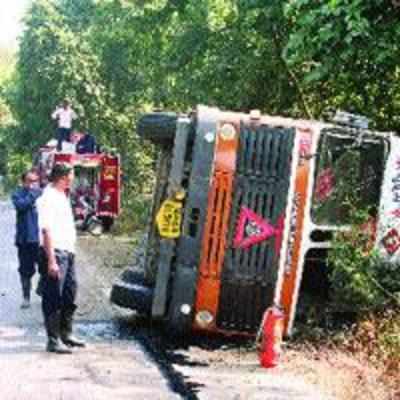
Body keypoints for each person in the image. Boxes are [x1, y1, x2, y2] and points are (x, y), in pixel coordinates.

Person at [36, 163, 85, 354]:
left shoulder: (62, 195)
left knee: (69, 293)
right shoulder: (48, 198)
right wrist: (51, 261)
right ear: (63, 177)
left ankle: (66, 334)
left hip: (67, 252)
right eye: (72, 175)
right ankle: (53, 340)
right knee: (53, 297)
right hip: (55, 253)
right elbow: (46, 230)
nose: (73, 178)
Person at [11, 170, 42, 308]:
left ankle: (43, 290)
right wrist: (33, 194)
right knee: (25, 271)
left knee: (47, 268)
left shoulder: (43, 194)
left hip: (41, 239)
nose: (33, 184)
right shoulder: (17, 194)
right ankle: (26, 297)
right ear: (23, 182)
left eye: (35, 181)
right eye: (30, 181)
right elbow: (21, 206)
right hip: (24, 240)